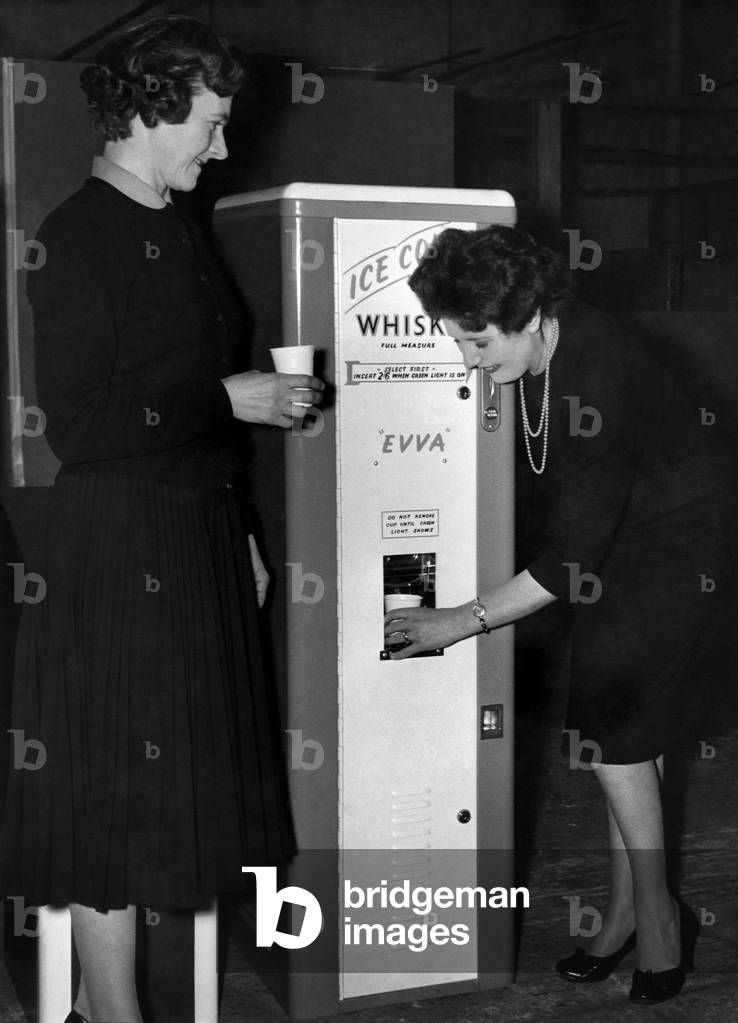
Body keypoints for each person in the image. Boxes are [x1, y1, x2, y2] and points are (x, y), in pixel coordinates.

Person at [0, 16, 323, 1023]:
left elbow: (187, 398)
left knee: (169, 803)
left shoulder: (176, 226)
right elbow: (83, 423)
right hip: (121, 546)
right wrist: (231, 399)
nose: (222, 148)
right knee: (114, 808)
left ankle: (109, 1012)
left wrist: (248, 536)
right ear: (154, 106)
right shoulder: (77, 233)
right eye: (214, 124)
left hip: (195, 543)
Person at [383, 224, 737, 1005]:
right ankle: (621, 916)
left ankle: (660, 919)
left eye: (477, 343)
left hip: (687, 550)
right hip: (630, 542)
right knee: (618, 735)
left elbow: (569, 556)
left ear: (533, 313)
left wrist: (459, 620)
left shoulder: (599, 368)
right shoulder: (544, 355)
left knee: (615, 742)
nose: (468, 362)